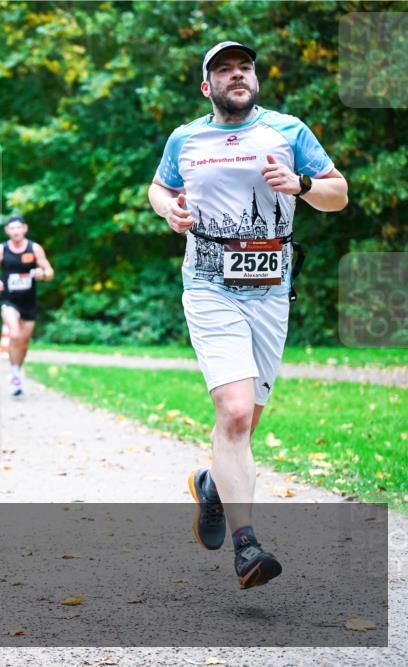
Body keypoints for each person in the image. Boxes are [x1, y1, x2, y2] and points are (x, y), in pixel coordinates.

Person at [148, 41, 348, 589]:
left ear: (254, 79)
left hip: (269, 291)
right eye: (223, 70)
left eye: (245, 68)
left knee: (247, 422)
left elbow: (339, 194)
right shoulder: (186, 138)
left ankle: (212, 484)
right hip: (209, 284)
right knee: (234, 413)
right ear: (207, 86)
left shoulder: (287, 131)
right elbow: (159, 187)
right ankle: (247, 546)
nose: (237, 75)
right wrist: (171, 210)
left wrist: (303, 185)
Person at [0, 215, 54, 397]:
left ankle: (17, 369)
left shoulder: (34, 248)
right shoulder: (1, 250)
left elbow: (49, 271)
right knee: (14, 334)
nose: (15, 231)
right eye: (12, 228)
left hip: (29, 303)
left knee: (23, 342)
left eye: (19, 228)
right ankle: (15, 375)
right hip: (9, 301)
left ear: (25, 228)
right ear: (7, 231)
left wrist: (43, 274)